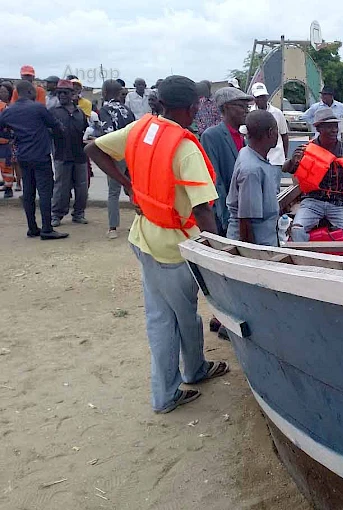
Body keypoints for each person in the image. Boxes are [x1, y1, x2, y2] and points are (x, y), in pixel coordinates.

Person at [85, 75, 228, 414]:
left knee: (161, 318)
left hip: (144, 236)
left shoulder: (141, 129)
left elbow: (93, 148)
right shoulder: (185, 146)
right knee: (179, 319)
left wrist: (126, 185)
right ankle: (185, 378)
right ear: (190, 107)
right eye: (195, 105)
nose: (197, 109)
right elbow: (203, 211)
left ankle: (175, 385)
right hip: (176, 248)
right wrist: (220, 255)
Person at [283, 107, 343, 258]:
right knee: (296, 230)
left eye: (335, 126)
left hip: (338, 204)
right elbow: (285, 169)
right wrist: (293, 159)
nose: (334, 130)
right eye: (329, 126)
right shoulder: (307, 149)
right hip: (312, 201)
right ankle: (308, 264)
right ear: (319, 128)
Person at [0, 81, 68, 239]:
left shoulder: (9, 111)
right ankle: (47, 229)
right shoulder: (37, 108)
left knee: (28, 192)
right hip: (40, 155)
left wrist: (11, 136)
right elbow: (56, 126)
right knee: (45, 193)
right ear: (31, 91)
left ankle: (32, 228)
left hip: (22, 156)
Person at [200, 86, 253, 234]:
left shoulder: (243, 137)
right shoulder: (211, 136)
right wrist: (225, 217)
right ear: (227, 108)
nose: (246, 111)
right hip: (225, 215)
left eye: (247, 107)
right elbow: (216, 180)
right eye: (242, 106)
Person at [226, 110, 282, 245]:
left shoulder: (249, 152)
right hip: (257, 247)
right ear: (270, 133)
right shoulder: (252, 170)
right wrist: (250, 258)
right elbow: (246, 222)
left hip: (266, 240)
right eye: (276, 131)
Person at [98, 79, 136, 238]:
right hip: (131, 153)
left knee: (113, 191)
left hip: (116, 153)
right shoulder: (127, 109)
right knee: (133, 188)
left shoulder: (105, 110)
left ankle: (113, 228)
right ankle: (138, 222)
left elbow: (108, 133)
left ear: (105, 92)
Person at [50, 79, 89, 226]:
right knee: (61, 187)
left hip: (80, 156)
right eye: (59, 93)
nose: (62, 95)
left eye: (65, 92)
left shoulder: (80, 113)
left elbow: (87, 132)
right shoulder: (53, 112)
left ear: (73, 94)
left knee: (82, 188)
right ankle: (56, 215)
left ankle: (79, 213)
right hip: (61, 155)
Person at [250, 82, 289, 166]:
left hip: (276, 159)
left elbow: (284, 135)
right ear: (254, 98)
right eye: (258, 97)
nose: (261, 99)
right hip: (256, 159)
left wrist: (284, 157)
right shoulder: (250, 114)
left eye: (263, 96)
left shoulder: (277, 113)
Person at [0, 82, 16, 198]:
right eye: (0, 92)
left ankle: (9, 187)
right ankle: (6, 184)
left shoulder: (11, 107)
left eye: (4, 92)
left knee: (6, 164)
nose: (2, 94)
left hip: (7, 141)